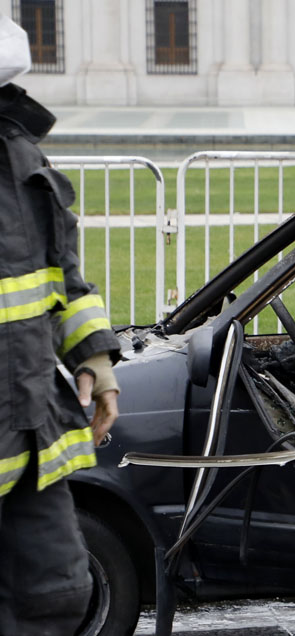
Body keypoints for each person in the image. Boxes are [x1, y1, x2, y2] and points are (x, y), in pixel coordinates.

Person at [0, 15, 121, 635]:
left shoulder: (17, 148)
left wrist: (96, 360)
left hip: (28, 439)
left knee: (58, 593)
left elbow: (59, 275)